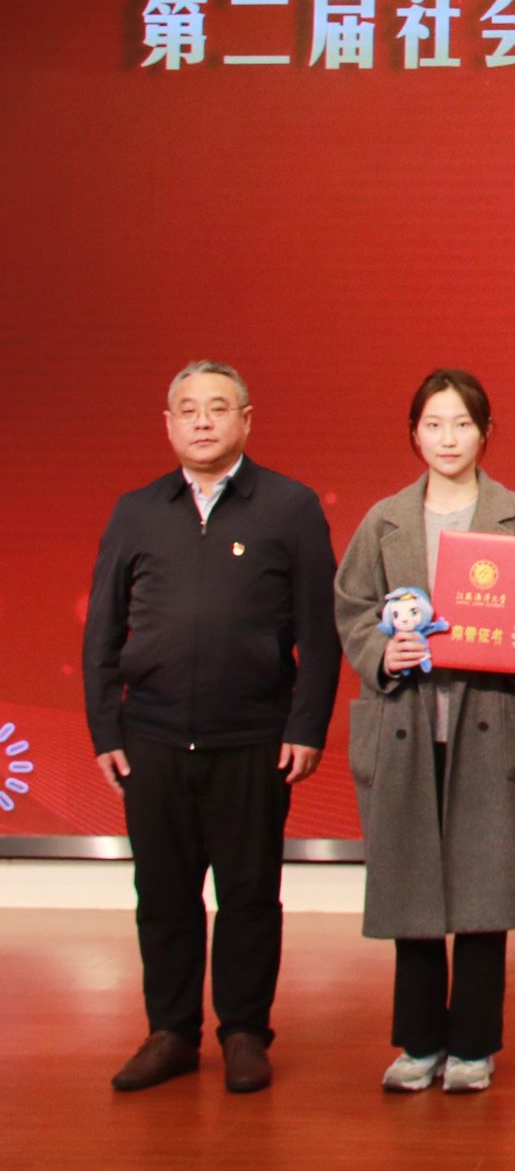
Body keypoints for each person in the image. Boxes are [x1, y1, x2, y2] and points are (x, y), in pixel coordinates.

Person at [83, 360, 341, 1094]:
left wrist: (306, 725)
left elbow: (319, 631)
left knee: (249, 894)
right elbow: (103, 628)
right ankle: (170, 1031)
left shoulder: (289, 506)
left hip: (254, 736)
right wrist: (106, 729)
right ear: (169, 424)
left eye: (218, 408)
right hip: (152, 737)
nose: (202, 421)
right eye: (188, 409)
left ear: (245, 420)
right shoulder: (136, 510)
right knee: (164, 894)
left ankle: (244, 1032)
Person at [334, 369, 515, 1095]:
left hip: (487, 723)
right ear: (415, 433)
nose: (447, 438)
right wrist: (381, 652)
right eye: (434, 424)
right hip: (405, 724)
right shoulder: (384, 520)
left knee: (481, 890)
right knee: (411, 889)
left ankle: (472, 1044)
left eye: (462, 424)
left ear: (485, 433)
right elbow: (352, 608)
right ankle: (417, 1043)